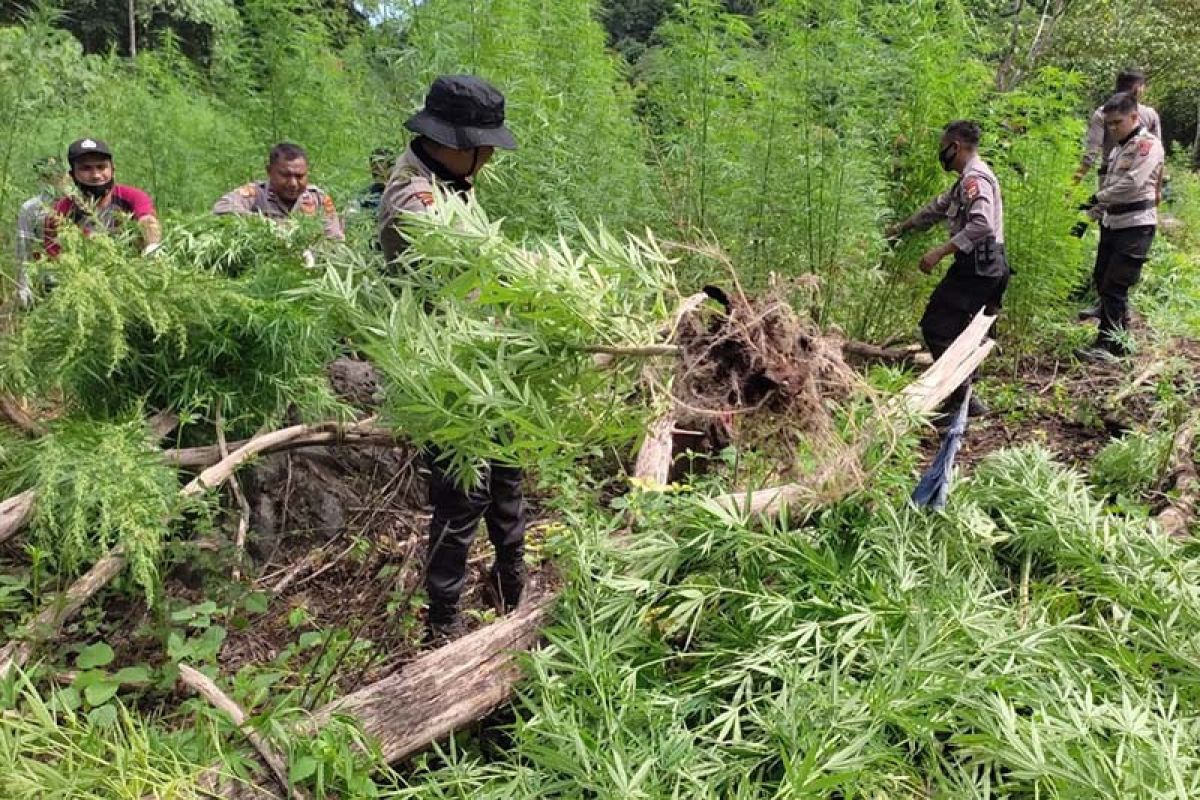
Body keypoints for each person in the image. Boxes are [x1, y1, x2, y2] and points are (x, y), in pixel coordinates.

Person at [377, 75, 522, 644]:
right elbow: (459, 279)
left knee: (508, 485)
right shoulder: (413, 198)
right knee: (463, 500)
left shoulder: (451, 181)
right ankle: (444, 629)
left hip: (488, 360)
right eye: (482, 144)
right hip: (446, 368)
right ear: (451, 140)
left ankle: (514, 595)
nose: (488, 155)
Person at [886, 120, 1009, 418]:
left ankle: (962, 400)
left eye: (944, 148)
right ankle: (963, 397)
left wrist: (940, 252)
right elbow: (937, 208)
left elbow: (982, 224)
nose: (941, 153)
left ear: (957, 146)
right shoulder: (963, 183)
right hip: (985, 264)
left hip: (979, 267)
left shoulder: (975, 180)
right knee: (961, 329)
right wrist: (903, 227)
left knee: (937, 326)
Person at [1075, 92, 1164, 362]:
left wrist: (1096, 198)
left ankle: (1107, 346)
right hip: (1113, 222)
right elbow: (1108, 190)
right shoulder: (1117, 150)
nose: (1112, 129)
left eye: (1117, 123)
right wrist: (1087, 217)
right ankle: (1121, 340)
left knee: (1116, 284)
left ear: (1135, 117)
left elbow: (1132, 184)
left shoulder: (1148, 146)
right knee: (1103, 280)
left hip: (1136, 225)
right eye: (1109, 124)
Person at [43, 138, 161, 258]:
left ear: (113, 169)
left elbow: (147, 220)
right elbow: (55, 259)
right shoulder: (60, 212)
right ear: (72, 175)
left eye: (101, 167)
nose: (96, 175)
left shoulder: (133, 197)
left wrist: (152, 247)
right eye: (86, 168)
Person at [213, 142, 344, 241]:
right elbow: (221, 208)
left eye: (299, 176)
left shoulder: (318, 199)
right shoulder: (256, 193)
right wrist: (271, 225)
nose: (293, 183)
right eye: (285, 176)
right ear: (269, 171)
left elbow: (334, 239)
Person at [1074, 69, 1161, 187]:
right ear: (1138, 88)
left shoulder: (1102, 113)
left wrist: (1072, 185)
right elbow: (1158, 157)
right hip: (1142, 182)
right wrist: (1158, 189)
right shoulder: (1150, 114)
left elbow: (1091, 154)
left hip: (1109, 179)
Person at [14, 155, 68, 306]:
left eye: (58, 174)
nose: (54, 179)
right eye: (47, 175)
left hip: (77, 280)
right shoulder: (30, 208)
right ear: (41, 178)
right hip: (45, 283)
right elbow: (23, 248)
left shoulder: (79, 204)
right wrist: (23, 286)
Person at [352, 147, 396, 217]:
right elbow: (352, 214)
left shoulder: (402, 191)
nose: (379, 171)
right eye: (376, 168)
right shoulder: (365, 195)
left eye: (382, 167)